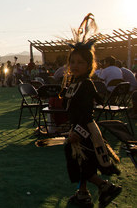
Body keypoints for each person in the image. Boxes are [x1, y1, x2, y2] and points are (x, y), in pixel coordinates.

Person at [62, 14, 122, 208]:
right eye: (73, 62)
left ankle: (105, 186)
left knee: (83, 163)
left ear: (89, 65)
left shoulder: (86, 85)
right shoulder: (74, 83)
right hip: (78, 126)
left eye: (80, 62)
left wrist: (77, 132)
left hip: (84, 128)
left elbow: (86, 112)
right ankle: (83, 194)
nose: (75, 65)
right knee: (81, 161)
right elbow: (69, 105)